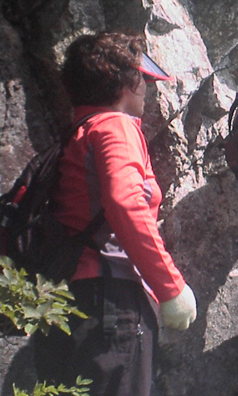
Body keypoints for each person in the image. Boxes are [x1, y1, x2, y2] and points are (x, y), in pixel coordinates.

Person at [34, 32, 197, 395]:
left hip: (69, 301)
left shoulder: (79, 131)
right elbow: (124, 203)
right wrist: (170, 287)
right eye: (143, 77)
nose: (147, 88)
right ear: (124, 82)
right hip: (111, 305)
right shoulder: (116, 126)